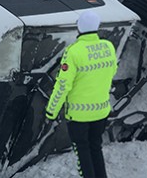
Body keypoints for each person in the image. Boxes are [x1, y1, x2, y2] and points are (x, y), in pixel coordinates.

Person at [45, 11, 118, 178]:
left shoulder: (73, 52)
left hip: (79, 116)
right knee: (95, 147)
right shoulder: (108, 47)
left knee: (83, 152)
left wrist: (51, 110)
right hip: (101, 111)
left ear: (79, 28)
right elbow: (112, 71)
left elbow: (63, 85)